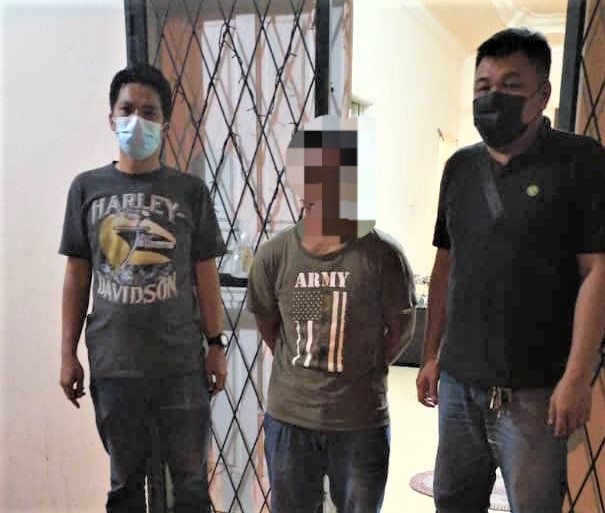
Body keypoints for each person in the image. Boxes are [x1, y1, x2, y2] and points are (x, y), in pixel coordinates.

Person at [416, 28, 605, 513]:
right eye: (483, 86)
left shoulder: (580, 161)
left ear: (542, 95)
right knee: (453, 502)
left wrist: (577, 377)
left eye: (510, 85)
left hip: (536, 393)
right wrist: (430, 354)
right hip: (459, 386)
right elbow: (445, 264)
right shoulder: (459, 168)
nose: (493, 97)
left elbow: (596, 273)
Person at [59, 64, 227, 513]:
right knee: (126, 488)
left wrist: (215, 345)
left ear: (165, 123)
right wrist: (67, 354)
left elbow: (205, 274)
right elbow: (77, 275)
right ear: (111, 118)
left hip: (181, 366)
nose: (137, 119)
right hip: (115, 365)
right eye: (127, 109)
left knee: (191, 486)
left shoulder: (190, 192)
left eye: (149, 111)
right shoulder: (86, 189)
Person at [247, 115, 416, 513]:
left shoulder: (383, 256)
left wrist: (363, 367)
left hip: (360, 422)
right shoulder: (274, 256)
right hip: (290, 420)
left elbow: (401, 329)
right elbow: (275, 327)